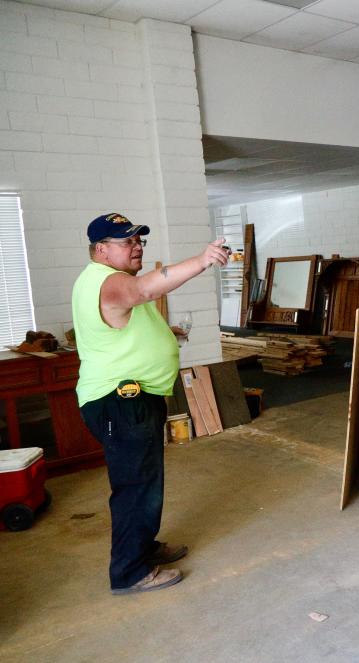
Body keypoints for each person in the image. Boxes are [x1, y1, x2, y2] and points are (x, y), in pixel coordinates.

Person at [71, 212, 229, 595]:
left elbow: (128, 317)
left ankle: (143, 548)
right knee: (134, 487)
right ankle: (128, 573)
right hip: (121, 401)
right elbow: (144, 292)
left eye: (140, 239)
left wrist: (164, 332)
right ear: (101, 249)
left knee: (146, 482)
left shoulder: (110, 281)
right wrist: (202, 259)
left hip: (134, 400)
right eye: (127, 242)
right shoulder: (108, 282)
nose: (137, 245)